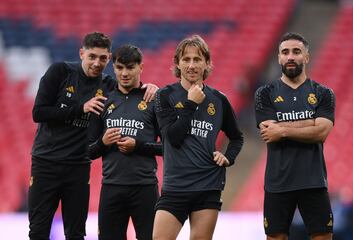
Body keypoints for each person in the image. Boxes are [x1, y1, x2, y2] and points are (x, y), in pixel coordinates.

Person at [29, 32, 158, 240]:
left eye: (102, 58)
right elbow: (39, 113)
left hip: (79, 166)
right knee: (38, 230)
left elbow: (129, 86)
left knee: (76, 233)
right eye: (92, 56)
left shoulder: (107, 85)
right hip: (46, 162)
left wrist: (150, 86)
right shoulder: (59, 72)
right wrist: (81, 108)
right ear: (82, 53)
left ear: (108, 59)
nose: (97, 63)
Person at [153, 35, 244, 240]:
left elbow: (237, 137)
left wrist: (228, 156)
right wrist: (191, 104)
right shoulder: (165, 95)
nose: (192, 65)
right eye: (186, 59)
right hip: (176, 186)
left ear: (207, 63)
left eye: (197, 59)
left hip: (208, 185)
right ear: (177, 63)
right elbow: (172, 138)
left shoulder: (219, 100)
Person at [254, 32, 336, 240]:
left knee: (323, 237)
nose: (290, 56)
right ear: (279, 58)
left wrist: (282, 129)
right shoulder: (264, 93)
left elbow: (322, 132)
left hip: (314, 181)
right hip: (277, 182)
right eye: (285, 52)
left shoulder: (323, 93)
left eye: (296, 52)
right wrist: (311, 122)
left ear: (306, 57)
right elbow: (268, 131)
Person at [87, 44, 162, 240]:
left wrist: (138, 146)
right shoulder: (103, 102)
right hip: (112, 187)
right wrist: (103, 143)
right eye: (120, 68)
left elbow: (168, 147)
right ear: (114, 67)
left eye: (130, 67)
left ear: (141, 67)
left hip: (145, 188)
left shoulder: (154, 101)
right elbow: (88, 151)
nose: (125, 73)